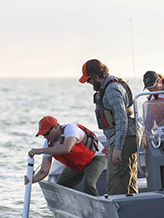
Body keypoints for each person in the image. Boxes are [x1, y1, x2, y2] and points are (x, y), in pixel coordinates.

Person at [79, 59, 138, 195]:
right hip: (123, 138)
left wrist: (118, 147)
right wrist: (111, 142)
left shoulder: (111, 90)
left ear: (97, 76)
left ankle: (118, 212)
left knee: (115, 182)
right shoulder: (111, 85)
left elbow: (122, 119)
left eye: (89, 80)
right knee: (128, 181)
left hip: (125, 140)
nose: (89, 83)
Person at [26, 116, 106, 196]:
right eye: (42, 134)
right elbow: (44, 170)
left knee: (88, 182)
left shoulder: (70, 130)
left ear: (56, 127)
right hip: (78, 164)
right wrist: (32, 180)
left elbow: (66, 148)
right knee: (61, 186)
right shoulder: (48, 144)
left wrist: (41, 151)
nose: (45, 136)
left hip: (95, 158)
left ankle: (96, 206)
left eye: (46, 133)